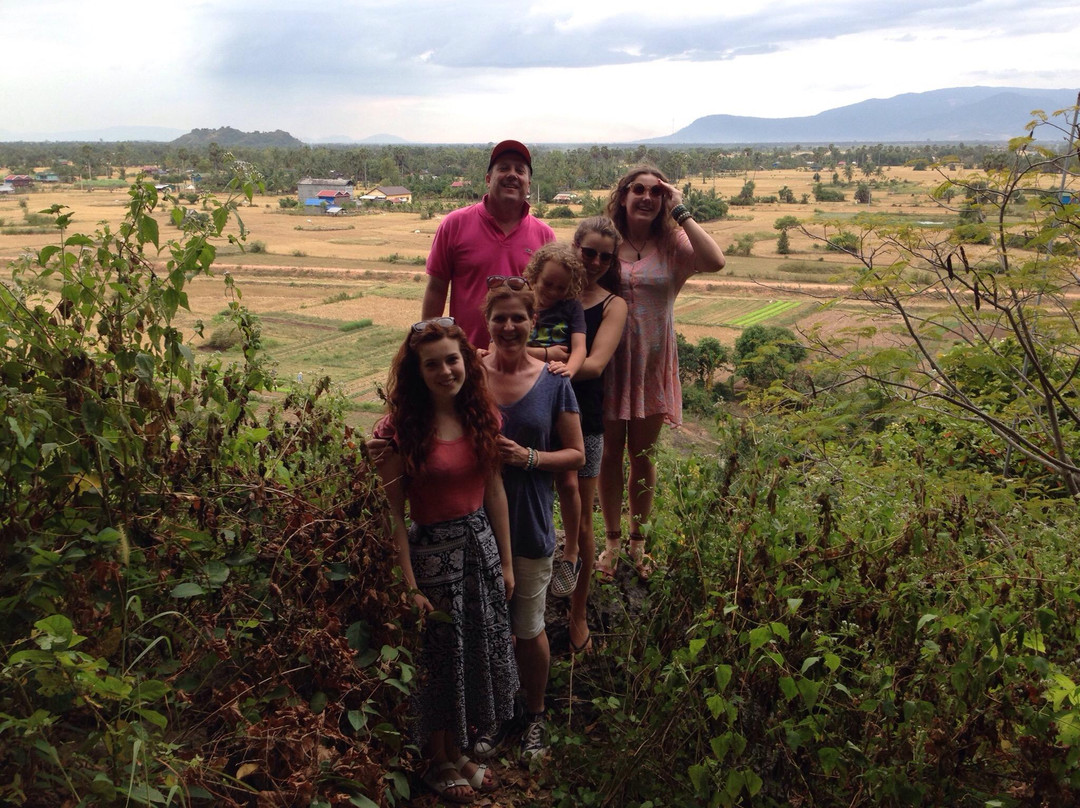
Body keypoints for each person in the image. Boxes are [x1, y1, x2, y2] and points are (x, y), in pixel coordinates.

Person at [372, 317, 519, 803]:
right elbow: (393, 513)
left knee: (471, 652)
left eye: (452, 359)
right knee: (440, 661)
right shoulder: (401, 430)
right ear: (417, 371)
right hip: (432, 559)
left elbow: (494, 489)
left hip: (479, 550)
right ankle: (437, 762)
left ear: (466, 361)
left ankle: (456, 753)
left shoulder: (482, 413)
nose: (445, 370)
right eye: (431, 364)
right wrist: (408, 584)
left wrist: (506, 562)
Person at [475, 277, 584, 764]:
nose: (509, 325)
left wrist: (529, 457)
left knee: (527, 627)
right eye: (500, 317)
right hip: (470, 524)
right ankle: (496, 713)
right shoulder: (469, 375)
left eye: (519, 317)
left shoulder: (555, 383)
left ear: (533, 321)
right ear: (488, 323)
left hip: (530, 523)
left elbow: (576, 455)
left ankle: (535, 714)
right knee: (483, 626)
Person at [598, 167, 726, 580]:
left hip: (652, 364)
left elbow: (716, 261)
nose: (647, 197)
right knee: (608, 457)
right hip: (606, 364)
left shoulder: (673, 244)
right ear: (623, 196)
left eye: (657, 192)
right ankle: (612, 542)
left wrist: (682, 207)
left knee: (643, 457)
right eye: (638, 189)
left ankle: (639, 543)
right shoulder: (604, 240)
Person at [556, 217, 628, 653]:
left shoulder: (612, 305)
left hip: (585, 420)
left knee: (581, 519)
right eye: (590, 252)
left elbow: (596, 365)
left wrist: (538, 369)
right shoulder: (550, 291)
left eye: (606, 255)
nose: (597, 262)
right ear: (575, 246)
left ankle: (578, 612)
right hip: (534, 415)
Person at [422, 140, 555, 349]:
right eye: (503, 168)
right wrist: (427, 345)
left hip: (522, 361)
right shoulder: (454, 224)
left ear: (528, 184)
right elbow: (436, 289)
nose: (512, 174)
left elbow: (552, 300)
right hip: (466, 359)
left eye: (520, 170)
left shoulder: (544, 235)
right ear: (488, 179)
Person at [521, 242, 589, 598]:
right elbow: (504, 344)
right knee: (523, 476)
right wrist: (547, 352)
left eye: (561, 287)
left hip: (560, 397)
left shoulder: (571, 308)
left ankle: (572, 551)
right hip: (522, 398)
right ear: (533, 276)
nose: (552, 292)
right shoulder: (520, 300)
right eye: (547, 283)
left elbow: (578, 349)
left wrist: (568, 368)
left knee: (568, 480)